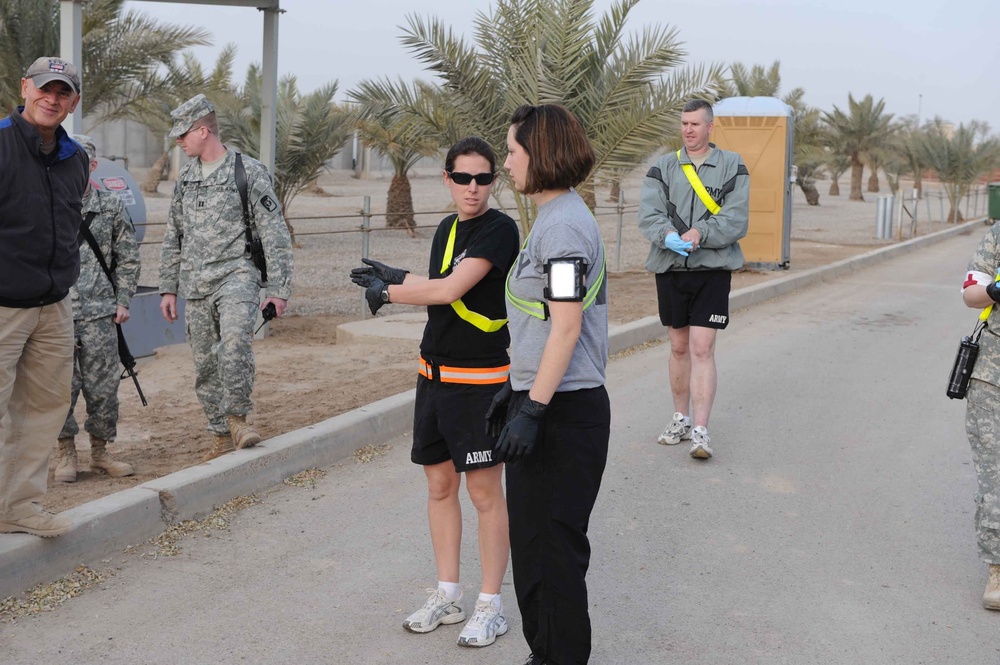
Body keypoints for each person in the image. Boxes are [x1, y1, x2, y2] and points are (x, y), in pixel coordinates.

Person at [350, 137, 519, 648]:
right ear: (446, 178)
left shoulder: (500, 229)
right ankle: (448, 593)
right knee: (440, 486)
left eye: (483, 178)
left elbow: (449, 291)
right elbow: (441, 281)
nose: (473, 188)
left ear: (494, 181)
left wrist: (389, 292)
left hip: (480, 383)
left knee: (484, 493)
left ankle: (491, 604)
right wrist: (398, 275)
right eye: (462, 178)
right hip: (434, 376)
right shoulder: (448, 228)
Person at [487, 104, 609, 665]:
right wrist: (514, 388)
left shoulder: (562, 228)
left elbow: (565, 325)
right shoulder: (556, 217)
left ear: (541, 155)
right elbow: (542, 323)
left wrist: (531, 408)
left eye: (512, 152)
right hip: (545, 398)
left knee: (552, 555)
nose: (506, 163)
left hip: (561, 412)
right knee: (536, 549)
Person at [158, 94, 293, 461]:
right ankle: (220, 433)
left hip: (237, 274)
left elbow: (274, 232)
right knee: (205, 364)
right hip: (195, 283)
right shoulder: (185, 178)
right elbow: (174, 234)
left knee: (234, 343)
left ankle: (238, 419)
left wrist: (279, 289)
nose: (179, 141)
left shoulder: (247, 171)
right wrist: (168, 287)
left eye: (183, 134)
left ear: (203, 130)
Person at [0, 57, 89, 537]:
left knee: (41, 410)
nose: (52, 99)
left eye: (63, 92)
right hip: (3, 308)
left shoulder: (76, 159)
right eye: (44, 89)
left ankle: (17, 507)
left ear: (73, 102)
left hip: (54, 307)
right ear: (25, 88)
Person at [637, 98, 749, 460]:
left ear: (710, 127)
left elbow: (736, 219)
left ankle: (701, 430)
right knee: (678, 347)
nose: (688, 130)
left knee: (702, 348)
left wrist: (701, 231)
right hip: (671, 269)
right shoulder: (663, 167)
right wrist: (666, 235)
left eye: (695, 124)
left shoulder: (732, 166)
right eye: (684, 124)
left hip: (712, 271)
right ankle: (680, 418)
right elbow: (649, 213)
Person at [52, 135, 141, 483]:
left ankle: (101, 453)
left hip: (101, 314)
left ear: (91, 165)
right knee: (60, 388)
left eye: (80, 162)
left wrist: (123, 300)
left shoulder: (112, 206)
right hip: (57, 314)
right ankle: (66, 455)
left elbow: (128, 258)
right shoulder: (50, 205)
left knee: (103, 388)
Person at [960, 229, 1000, 610]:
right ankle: (999, 569)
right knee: (995, 475)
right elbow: (971, 292)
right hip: (993, 376)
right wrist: (995, 291)